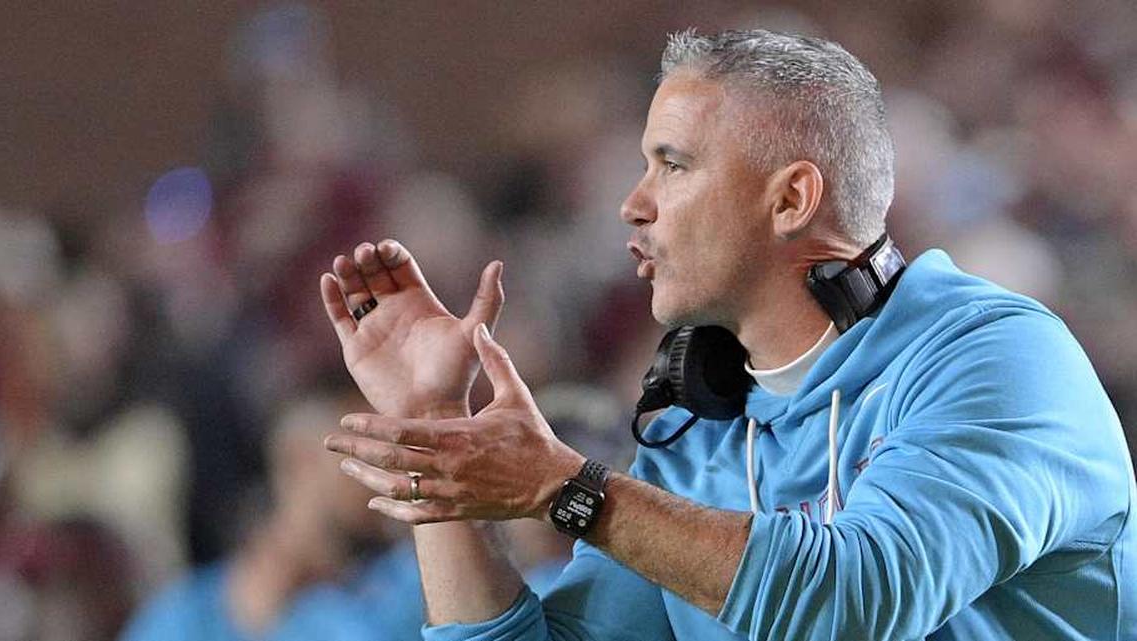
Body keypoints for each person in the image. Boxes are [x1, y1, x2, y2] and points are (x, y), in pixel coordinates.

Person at [319, 30, 1136, 641]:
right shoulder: (695, 431)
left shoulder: (998, 359)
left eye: (672, 164)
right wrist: (440, 431)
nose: (632, 203)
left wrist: (567, 487)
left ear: (791, 200)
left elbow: (861, 595)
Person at [119, 393, 423, 641]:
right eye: (369, 454)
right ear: (301, 459)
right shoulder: (183, 615)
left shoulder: (409, 586)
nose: (393, 473)